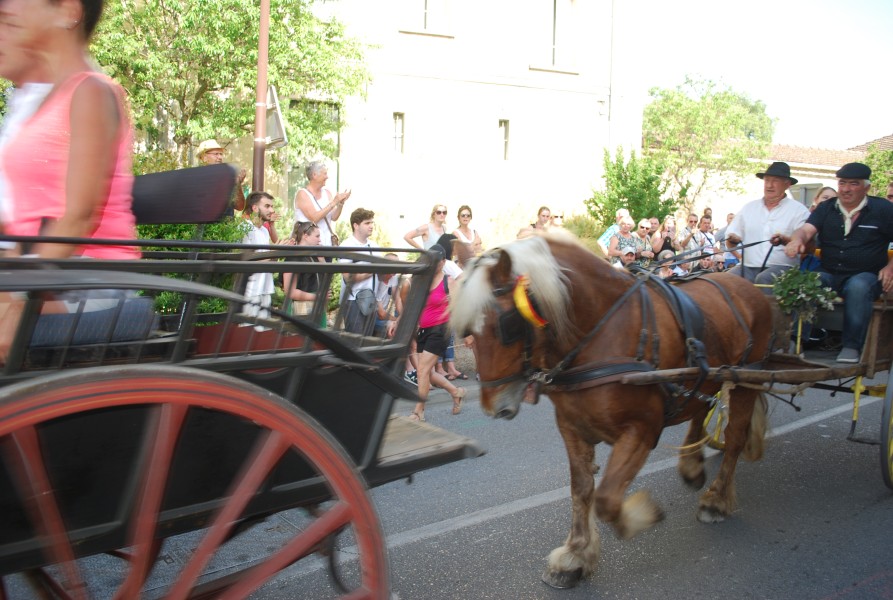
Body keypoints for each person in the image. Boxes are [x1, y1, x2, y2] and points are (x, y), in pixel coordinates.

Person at [0, 0, 146, 361]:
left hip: (91, 281)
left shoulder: (91, 91)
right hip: (50, 277)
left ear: (67, 10)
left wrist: (15, 294)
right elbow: (27, 223)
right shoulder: (42, 99)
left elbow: (77, 217)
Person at [785, 162, 893, 363]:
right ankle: (796, 339)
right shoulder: (826, 208)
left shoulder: (884, 209)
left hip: (867, 275)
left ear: (866, 187)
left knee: (858, 286)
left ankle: (851, 346)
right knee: (807, 280)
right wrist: (797, 239)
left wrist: (890, 267)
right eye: (842, 183)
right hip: (830, 273)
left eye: (853, 184)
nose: (846, 189)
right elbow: (806, 230)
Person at [408, 244, 468, 422]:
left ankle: (419, 410)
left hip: (441, 329)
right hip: (424, 330)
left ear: (443, 262)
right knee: (426, 373)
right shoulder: (423, 280)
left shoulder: (449, 281)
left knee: (423, 370)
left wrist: (455, 301)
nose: (431, 265)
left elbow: (462, 306)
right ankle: (455, 392)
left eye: (435, 262)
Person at [726, 162, 809, 285]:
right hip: (748, 267)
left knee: (764, 279)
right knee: (724, 280)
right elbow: (730, 244)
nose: (769, 185)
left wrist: (785, 240)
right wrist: (733, 240)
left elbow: (806, 246)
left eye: (775, 181)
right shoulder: (749, 208)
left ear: (787, 184)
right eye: (767, 180)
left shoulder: (799, 211)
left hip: (783, 267)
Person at [294, 160, 351, 248]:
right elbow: (314, 218)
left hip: (326, 244)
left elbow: (334, 217)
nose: (327, 177)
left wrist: (340, 204)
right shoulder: (303, 194)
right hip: (308, 247)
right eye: (324, 174)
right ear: (314, 175)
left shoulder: (327, 193)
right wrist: (333, 203)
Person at [339, 208, 377, 335]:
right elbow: (348, 277)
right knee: (355, 344)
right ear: (355, 225)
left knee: (367, 343)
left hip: (370, 300)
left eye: (372, 223)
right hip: (352, 301)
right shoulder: (347, 246)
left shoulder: (374, 246)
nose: (371, 226)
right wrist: (373, 270)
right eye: (367, 223)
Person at [281, 221, 328, 322]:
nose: (320, 240)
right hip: (301, 309)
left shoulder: (315, 255)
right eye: (317, 236)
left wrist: (322, 260)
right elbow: (289, 291)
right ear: (305, 236)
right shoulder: (294, 257)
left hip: (316, 307)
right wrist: (317, 297)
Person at [241, 192, 276, 322]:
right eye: (267, 206)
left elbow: (267, 260)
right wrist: (274, 251)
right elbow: (247, 259)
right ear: (255, 208)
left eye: (272, 206)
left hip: (266, 289)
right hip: (251, 291)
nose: (271, 210)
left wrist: (276, 253)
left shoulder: (264, 231)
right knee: (248, 333)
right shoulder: (245, 227)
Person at [196, 139, 249, 217]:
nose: (220, 157)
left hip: (227, 228)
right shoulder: (196, 179)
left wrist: (237, 184)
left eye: (221, 154)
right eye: (216, 154)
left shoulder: (228, 178)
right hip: (206, 227)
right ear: (204, 157)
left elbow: (239, 207)